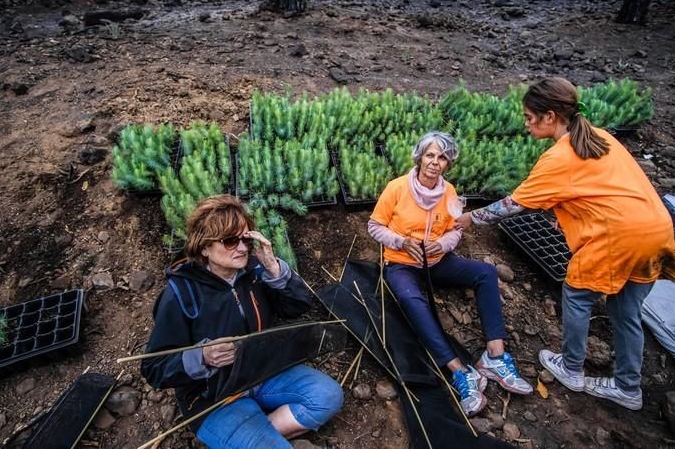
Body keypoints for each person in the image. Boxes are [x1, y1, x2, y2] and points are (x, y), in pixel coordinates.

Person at [458, 77, 675, 411]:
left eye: (530, 117)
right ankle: (628, 387)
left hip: (619, 238)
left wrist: (469, 218)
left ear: (550, 117)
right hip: (658, 230)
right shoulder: (600, 137)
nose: (526, 123)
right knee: (626, 310)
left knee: (576, 294)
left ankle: (571, 368)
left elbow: (514, 204)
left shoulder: (559, 158)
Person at [141, 195, 343, 448]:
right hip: (215, 396)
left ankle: (253, 433)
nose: (242, 248)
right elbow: (154, 368)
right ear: (204, 247)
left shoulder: (254, 272)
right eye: (229, 241)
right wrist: (202, 356)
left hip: (262, 370)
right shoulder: (180, 294)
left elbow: (298, 307)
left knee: (328, 395)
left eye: (245, 239)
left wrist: (275, 270)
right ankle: (247, 434)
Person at [368, 131, 532, 417]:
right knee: (410, 299)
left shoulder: (450, 193)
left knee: (485, 272)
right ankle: (460, 372)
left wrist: (442, 244)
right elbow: (375, 227)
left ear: (448, 163)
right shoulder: (396, 189)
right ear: (419, 158)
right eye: (430, 155)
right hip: (401, 263)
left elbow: (456, 231)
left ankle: (495, 355)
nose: (435, 162)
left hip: (437, 262)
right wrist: (402, 242)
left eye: (442, 157)